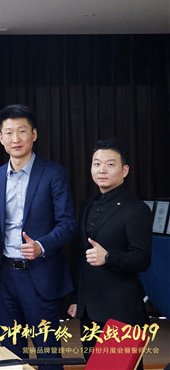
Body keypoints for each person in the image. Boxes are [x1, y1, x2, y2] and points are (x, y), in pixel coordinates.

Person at [0, 104, 75, 370]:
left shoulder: (53, 173)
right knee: (10, 352)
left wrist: (41, 246)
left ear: (34, 134)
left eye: (22, 131)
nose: (16, 138)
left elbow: (68, 223)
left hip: (40, 274)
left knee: (47, 352)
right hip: (5, 277)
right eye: (9, 132)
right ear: (1, 138)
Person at [68, 139, 152, 364]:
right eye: (97, 164)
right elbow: (80, 256)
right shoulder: (87, 204)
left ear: (125, 170)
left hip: (120, 311)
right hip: (89, 310)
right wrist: (77, 299)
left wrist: (108, 257)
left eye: (110, 164)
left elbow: (143, 259)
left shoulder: (137, 209)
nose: (101, 170)